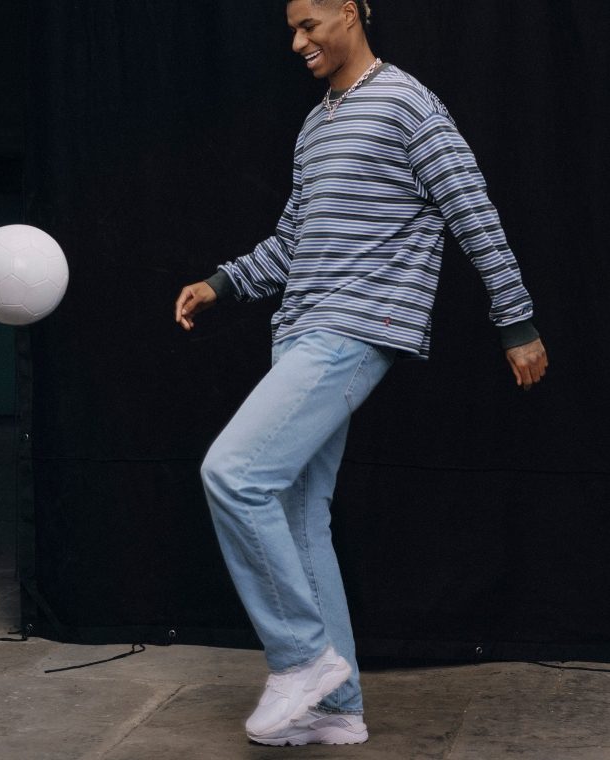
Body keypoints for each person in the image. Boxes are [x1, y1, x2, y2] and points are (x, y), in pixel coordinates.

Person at [174, 0, 548, 747]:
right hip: (299, 331)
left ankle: (301, 658)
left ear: (349, 13)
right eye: (290, 28)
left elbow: (472, 211)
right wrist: (222, 283)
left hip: (352, 331)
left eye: (309, 24)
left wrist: (516, 321)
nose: (297, 41)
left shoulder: (407, 103)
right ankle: (337, 707)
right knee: (297, 516)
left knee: (234, 474)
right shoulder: (317, 124)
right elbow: (293, 240)